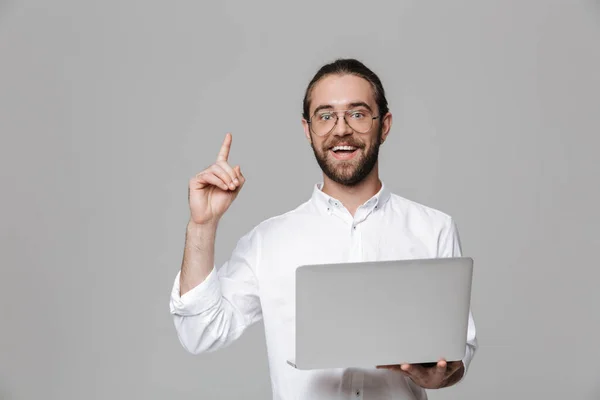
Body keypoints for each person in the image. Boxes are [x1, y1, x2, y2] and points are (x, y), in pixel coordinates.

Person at [169, 58, 478, 400]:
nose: (341, 129)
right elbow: (200, 332)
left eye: (358, 114)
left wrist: (438, 376)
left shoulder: (433, 229)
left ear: (384, 125)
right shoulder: (268, 241)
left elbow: (456, 354)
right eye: (325, 115)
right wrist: (202, 225)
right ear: (308, 129)